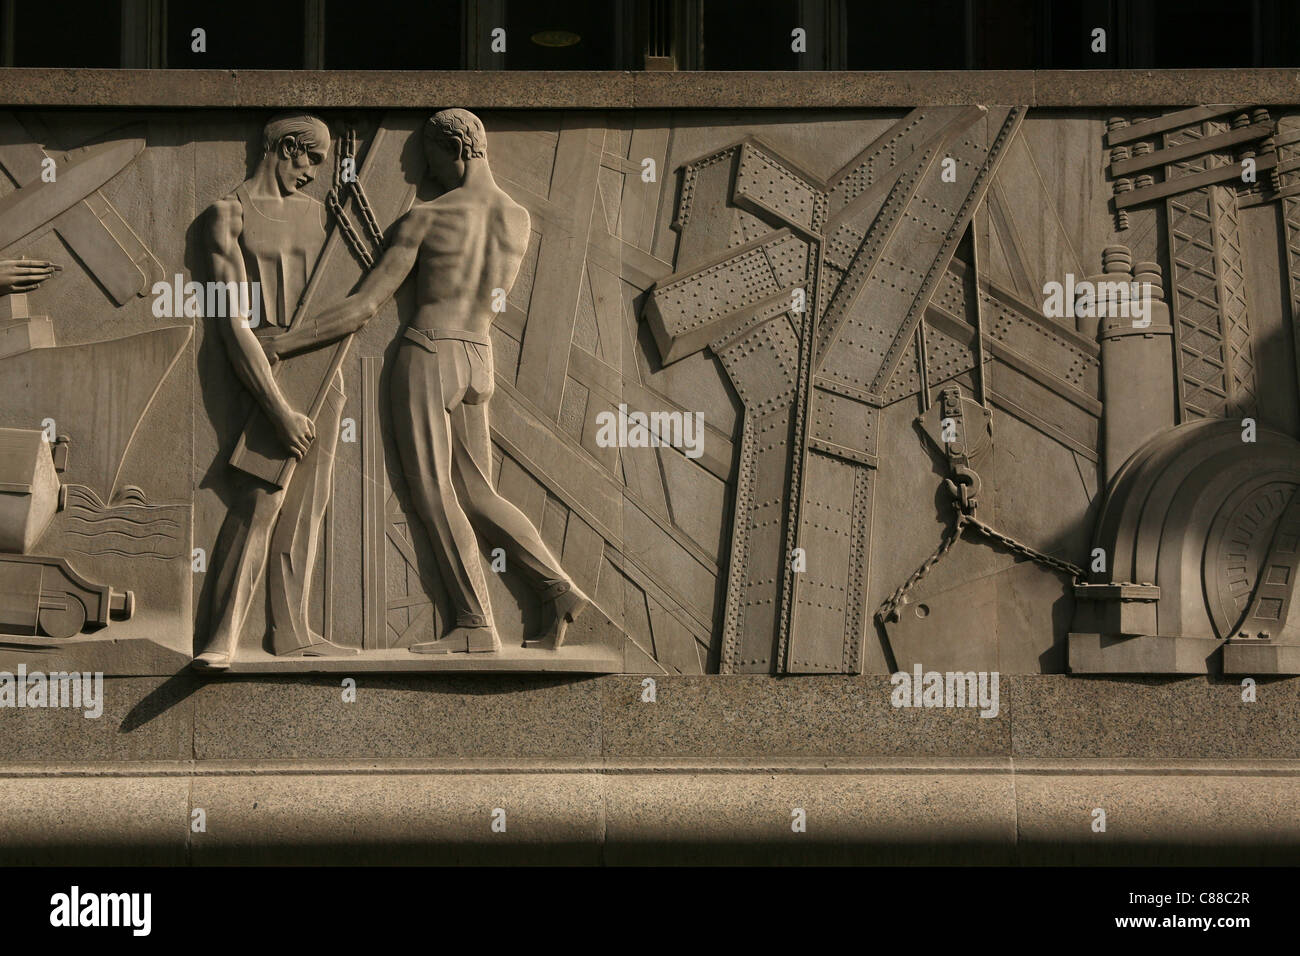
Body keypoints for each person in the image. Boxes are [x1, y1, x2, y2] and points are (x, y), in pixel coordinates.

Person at [265, 108, 589, 653]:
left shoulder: (426, 218)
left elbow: (362, 308)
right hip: (478, 355)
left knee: (434, 493)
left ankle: (475, 624)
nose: (427, 173)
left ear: (456, 149)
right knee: (479, 494)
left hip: (429, 353)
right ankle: (557, 589)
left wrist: (284, 343)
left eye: (432, 160)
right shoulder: (516, 219)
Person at [194, 112, 357, 670]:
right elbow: (231, 323)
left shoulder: (324, 216)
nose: (313, 173)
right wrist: (279, 409)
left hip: (325, 374)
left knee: (306, 508)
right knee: (260, 499)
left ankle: (291, 631)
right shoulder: (227, 215)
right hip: (263, 372)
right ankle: (220, 636)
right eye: (312, 159)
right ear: (288, 147)